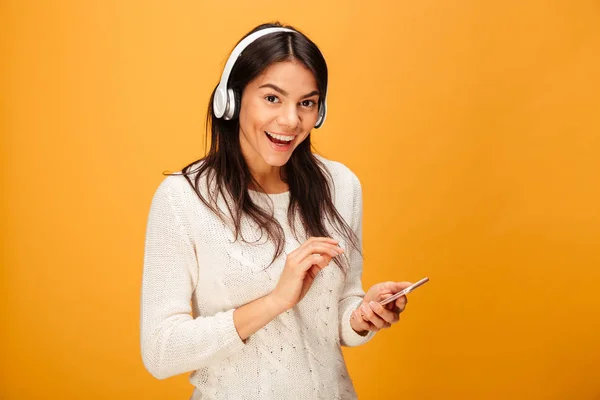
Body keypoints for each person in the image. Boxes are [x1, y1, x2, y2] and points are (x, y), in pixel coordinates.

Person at [140, 21, 413, 399]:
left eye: (307, 103)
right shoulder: (183, 199)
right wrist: (275, 301)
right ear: (231, 101)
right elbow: (160, 351)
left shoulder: (341, 186)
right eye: (272, 98)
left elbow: (335, 314)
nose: (290, 121)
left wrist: (362, 314)